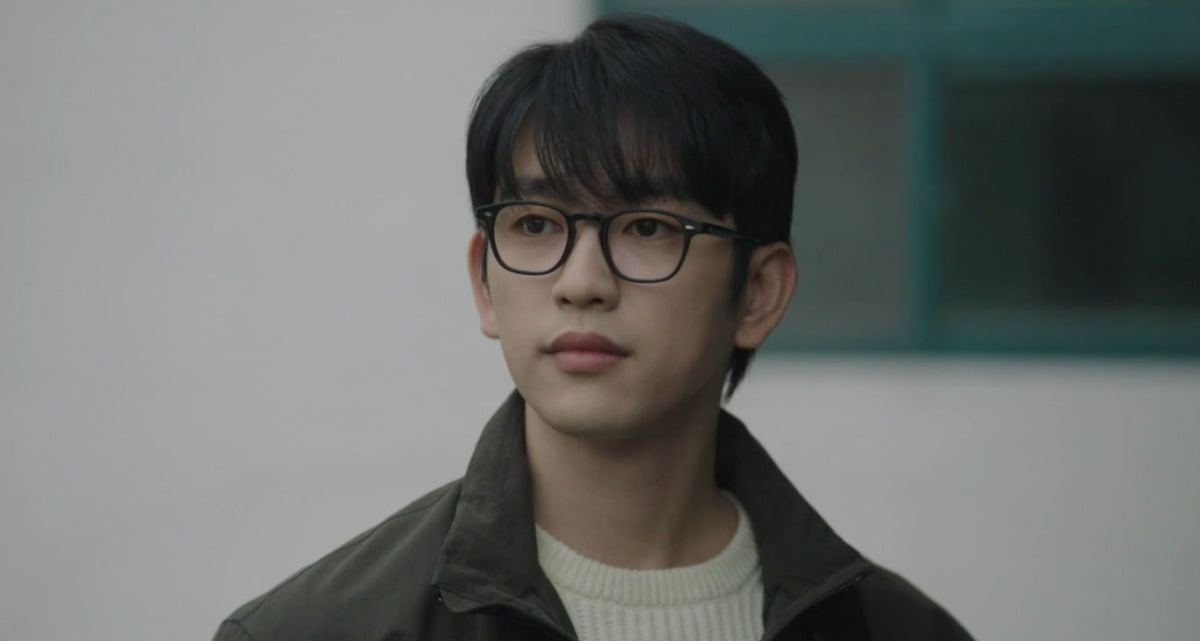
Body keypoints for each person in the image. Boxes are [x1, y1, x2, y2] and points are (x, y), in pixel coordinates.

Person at [213, 13, 971, 641]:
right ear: (484, 281)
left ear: (757, 292)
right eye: (536, 224)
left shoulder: (899, 630)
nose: (580, 282)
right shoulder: (313, 631)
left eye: (647, 228)